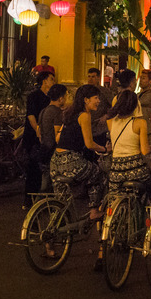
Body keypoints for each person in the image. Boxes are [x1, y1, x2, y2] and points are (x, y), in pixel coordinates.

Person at [50, 84, 106, 221]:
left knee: (61, 201)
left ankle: (54, 227)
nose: (98, 101)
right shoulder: (84, 116)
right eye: (96, 98)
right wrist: (105, 149)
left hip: (55, 161)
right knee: (98, 173)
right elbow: (89, 144)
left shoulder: (69, 113)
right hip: (71, 161)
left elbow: (58, 138)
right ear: (86, 100)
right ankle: (94, 210)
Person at [106, 89, 151, 195]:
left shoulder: (111, 122)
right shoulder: (140, 123)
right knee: (150, 186)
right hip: (135, 170)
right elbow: (144, 151)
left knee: (113, 197)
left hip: (116, 170)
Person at [22, 70, 55, 207]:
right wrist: (38, 131)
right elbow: (31, 116)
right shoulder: (34, 96)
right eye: (51, 79)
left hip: (49, 138)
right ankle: (29, 199)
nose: (53, 81)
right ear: (44, 81)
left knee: (49, 168)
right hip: (34, 137)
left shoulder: (51, 98)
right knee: (33, 168)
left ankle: (47, 199)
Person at [38, 84, 68, 192]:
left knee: (45, 178)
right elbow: (57, 136)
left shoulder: (43, 111)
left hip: (43, 149)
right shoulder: (57, 112)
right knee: (48, 184)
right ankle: (42, 204)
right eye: (66, 96)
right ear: (61, 99)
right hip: (52, 152)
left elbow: (39, 133)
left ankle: (41, 205)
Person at [137, 68, 151, 136]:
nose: (141, 81)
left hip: (146, 130)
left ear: (150, 81)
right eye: (141, 78)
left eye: (143, 78)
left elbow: (138, 102)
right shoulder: (138, 94)